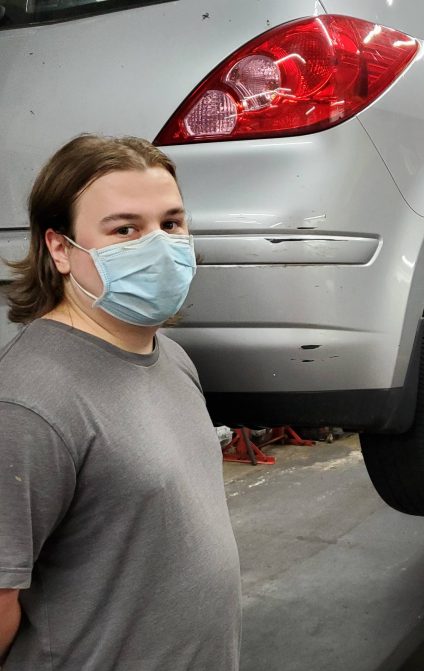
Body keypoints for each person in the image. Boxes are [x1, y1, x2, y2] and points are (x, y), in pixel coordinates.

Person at [0, 135, 241, 670]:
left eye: (171, 223)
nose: (159, 246)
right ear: (59, 248)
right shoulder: (27, 403)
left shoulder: (170, 357)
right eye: (125, 230)